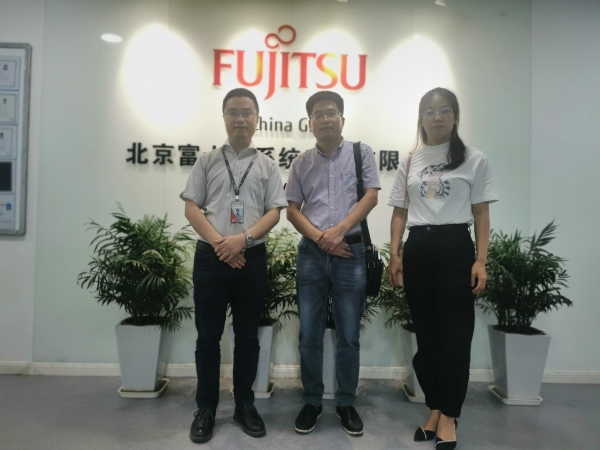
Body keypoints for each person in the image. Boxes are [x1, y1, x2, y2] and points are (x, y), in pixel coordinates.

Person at [387, 87, 498, 449]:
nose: (437, 117)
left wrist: (480, 259)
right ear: (421, 119)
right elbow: (400, 212)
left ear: (455, 117)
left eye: (445, 110)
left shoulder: (474, 159)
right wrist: (395, 254)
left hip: (455, 248)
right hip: (418, 248)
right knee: (427, 337)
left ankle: (450, 414)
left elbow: (481, 213)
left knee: (455, 336)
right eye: (430, 111)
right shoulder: (410, 161)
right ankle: (434, 408)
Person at [181, 88, 288, 444]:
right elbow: (192, 208)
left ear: (257, 118)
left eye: (246, 112)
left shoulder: (267, 165)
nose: (240, 118)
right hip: (211, 258)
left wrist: (242, 240)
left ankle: (245, 404)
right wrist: (221, 244)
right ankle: (206, 408)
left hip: (250, 258)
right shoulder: (206, 161)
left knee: (247, 337)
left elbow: (274, 212)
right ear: (224, 117)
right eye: (233, 112)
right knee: (208, 337)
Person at [286, 91, 380, 436]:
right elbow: (292, 210)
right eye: (318, 114)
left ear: (342, 118)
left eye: (332, 113)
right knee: (309, 334)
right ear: (309, 123)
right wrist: (320, 238)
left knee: (349, 335)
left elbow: (371, 196)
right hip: (312, 254)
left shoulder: (361, 153)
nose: (325, 118)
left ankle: (345, 402)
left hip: (350, 252)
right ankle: (312, 401)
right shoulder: (300, 163)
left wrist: (339, 231)